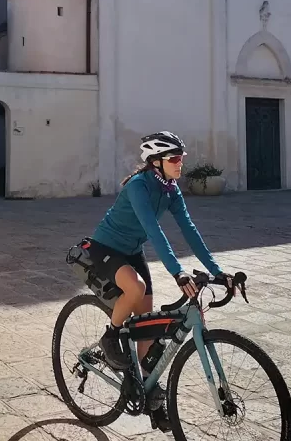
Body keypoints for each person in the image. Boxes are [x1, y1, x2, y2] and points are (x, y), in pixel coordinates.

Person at [86, 132, 230, 431]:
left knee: (146, 330)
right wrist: (178, 272)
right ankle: (111, 335)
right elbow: (154, 231)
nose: (180, 164)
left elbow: (188, 229)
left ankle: (152, 397)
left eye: (182, 159)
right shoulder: (139, 186)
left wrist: (217, 271)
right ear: (156, 163)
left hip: (133, 251)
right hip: (107, 247)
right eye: (174, 159)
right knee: (135, 288)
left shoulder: (170, 189)